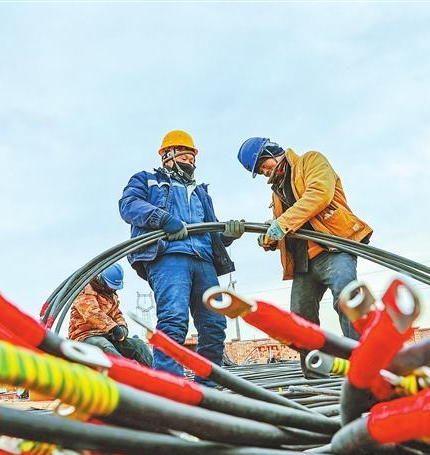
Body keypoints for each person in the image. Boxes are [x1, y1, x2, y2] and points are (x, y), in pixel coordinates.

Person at [237, 137, 373, 374]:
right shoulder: (277, 192)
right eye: (259, 171)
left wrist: (281, 224)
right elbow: (286, 225)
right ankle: (314, 376)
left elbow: (319, 194)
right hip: (304, 261)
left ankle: (363, 370)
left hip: (333, 249)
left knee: (347, 301)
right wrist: (269, 237)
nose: (264, 172)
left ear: (272, 151)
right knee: (300, 321)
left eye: (263, 165)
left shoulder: (311, 161)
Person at [119, 130, 244, 384]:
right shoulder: (147, 180)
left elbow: (212, 230)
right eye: (184, 156)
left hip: (204, 259)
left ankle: (207, 388)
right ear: (168, 155)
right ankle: (170, 387)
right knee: (174, 320)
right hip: (169, 256)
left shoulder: (200, 193)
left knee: (214, 324)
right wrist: (163, 219)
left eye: (192, 157)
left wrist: (227, 235)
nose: (190, 161)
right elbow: (129, 205)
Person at [68, 263, 153, 367]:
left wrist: (122, 327)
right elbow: (91, 312)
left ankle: (157, 373)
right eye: (111, 286)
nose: (113, 290)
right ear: (102, 280)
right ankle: (127, 372)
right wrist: (113, 328)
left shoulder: (111, 296)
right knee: (106, 347)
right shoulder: (85, 290)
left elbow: (117, 314)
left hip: (107, 335)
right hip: (85, 336)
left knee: (139, 345)